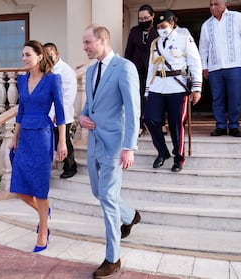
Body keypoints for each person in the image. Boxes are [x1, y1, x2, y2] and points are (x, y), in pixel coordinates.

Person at [79, 24, 141, 279]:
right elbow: (89, 105)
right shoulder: (91, 70)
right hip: (94, 143)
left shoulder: (125, 68)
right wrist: (82, 117)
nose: (84, 48)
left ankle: (112, 258)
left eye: (87, 43)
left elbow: (133, 109)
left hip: (115, 145)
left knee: (107, 197)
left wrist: (129, 147)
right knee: (98, 191)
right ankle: (131, 216)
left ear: (102, 40)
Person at [8, 40, 68, 253]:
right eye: (23, 55)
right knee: (20, 188)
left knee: (40, 189)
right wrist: (14, 138)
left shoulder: (53, 80)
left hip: (43, 136)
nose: (24, 58)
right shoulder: (21, 80)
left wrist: (62, 141)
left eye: (27, 55)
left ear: (39, 56)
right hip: (24, 137)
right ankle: (44, 214)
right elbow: (21, 112)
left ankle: (43, 232)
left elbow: (60, 113)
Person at [144, 10, 203, 173]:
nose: (160, 29)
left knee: (177, 124)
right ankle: (163, 152)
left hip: (177, 87)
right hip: (157, 86)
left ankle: (179, 157)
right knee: (149, 119)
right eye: (158, 26)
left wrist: (197, 88)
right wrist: (148, 91)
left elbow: (195, 63)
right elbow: (151, 67)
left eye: (163, 26)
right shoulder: (155, 42)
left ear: (172, 24)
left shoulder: (184, 39)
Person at [199, 0, 241, 137]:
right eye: (211, 5)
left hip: (234, 65)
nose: (213, 7)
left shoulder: (236, 17)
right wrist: (204, 66)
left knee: (234, 97)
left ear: (225, 4)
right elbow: (203, 48)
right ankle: (220, 126)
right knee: (217, 98)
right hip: (214, 67)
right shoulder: (207, 24)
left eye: (216, 4)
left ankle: (234, 126)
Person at [44, 42, 78, 179]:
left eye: (49, 55)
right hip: (48, 113)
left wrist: (58, 114)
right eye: (45, 55)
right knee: (53, 142)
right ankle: (64, 163)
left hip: (62, 114)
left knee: (63, 141)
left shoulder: (66, 71)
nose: (47, 58)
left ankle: (71, 166)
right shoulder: (46, 70)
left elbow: (69, 96)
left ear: (56, 54)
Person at [125, 4, 158, 137]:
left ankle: (154, 125)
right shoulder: (134, 31)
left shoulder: (158, 31)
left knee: (153, 99)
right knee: (137, 99)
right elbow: (128, 52)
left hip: (154, 71)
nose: (143, 21)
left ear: (152, 16)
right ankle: (138, 125)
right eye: (141, 19)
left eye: (146, 18)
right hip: (136, 71)